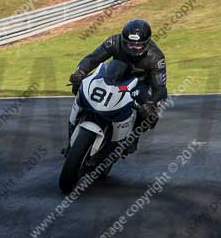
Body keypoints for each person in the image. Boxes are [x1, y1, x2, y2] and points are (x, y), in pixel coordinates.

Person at [69, 19, 167, 154]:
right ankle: (77, 120)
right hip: (114, 75)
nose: (133, 48)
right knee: (80, 84)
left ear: (146, 43)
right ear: (124, 40)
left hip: (139, 84)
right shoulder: (114, 41)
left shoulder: (156, 57)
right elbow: (93, 58)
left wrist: (151, 103)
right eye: (130, 44)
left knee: (149, 113)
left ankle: (133, 137)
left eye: (138, 46)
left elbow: (160, 88)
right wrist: (80, 72)